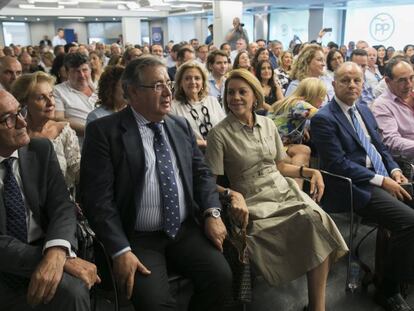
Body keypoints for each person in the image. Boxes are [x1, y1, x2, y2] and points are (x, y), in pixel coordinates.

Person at [80, 56, 232, 311]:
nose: (167, 92)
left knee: (221, 279)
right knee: (155, 304)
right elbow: (97, 200)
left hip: (184, 230)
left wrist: (212, 212)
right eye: (157, 86)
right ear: (131, 92)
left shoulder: (179, 125)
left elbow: (201, 174)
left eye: (168, 84)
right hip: (137, 237)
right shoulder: (105, 131)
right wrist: (120, 250)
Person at [205, 69, 348, 311]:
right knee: (308, 223)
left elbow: (280, 165)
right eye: (230, 93)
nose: (235, 98)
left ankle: (316, 306)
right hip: (253, 200)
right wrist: (232, 193)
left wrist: (311, 172)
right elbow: (208, 182)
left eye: (242, 92)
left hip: (282, 189)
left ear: (254, 96)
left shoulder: (268, 124)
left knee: (318, 220)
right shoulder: (219, 134)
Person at [311, 62, 414, 311]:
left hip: (382, 177)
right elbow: (338, 165)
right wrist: (381, 180)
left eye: (357, 80)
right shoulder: (324, 119)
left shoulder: (365, 111)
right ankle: (387, 290)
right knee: (409, 222)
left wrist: (395, 171)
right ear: (333, 84)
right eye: (345, 80)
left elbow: (380, 148)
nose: (352, 85)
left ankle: (402, 267)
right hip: (353, 186)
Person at [0, 90, 99, 311]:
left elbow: (62, 206)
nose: (22, 122)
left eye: (20, 111)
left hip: (45, 245)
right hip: (6, 266)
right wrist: (57, 260)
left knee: (73, 291)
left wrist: (56, 251)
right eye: (8, 118)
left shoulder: (40, 149)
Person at [11, 72, 80, 190]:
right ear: (24, 103)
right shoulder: (15, 135)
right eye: (41, 97)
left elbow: (78, 174)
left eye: (51, 95)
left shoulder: (64, 131)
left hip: (62, 203)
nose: (51, 102)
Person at [270, 77, 326, 183]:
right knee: (304, 150)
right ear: (313, 95)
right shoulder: (300, 104)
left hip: (271, 144)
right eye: (321, 97)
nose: (323, 101)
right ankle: (297, 189)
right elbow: (323, 117)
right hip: (274, 148)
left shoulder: (288, 102)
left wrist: (303, 128)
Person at [171, 61, 225, 149]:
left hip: (218, 151)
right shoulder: (173, 107)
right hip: (192, 156)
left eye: (197, 78)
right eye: (187, 78)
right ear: (180, 83)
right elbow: (175, 137)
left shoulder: (212, 101)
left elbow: (224, 129)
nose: (193, 82)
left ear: (203, 82)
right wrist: (203, 143)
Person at [371, 57, 414, 160]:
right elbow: (391, 141)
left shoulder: (411, 95)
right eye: (402, 80)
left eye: (412, 78)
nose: (409, 84)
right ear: (387, 81)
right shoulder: (381, 105)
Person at [54, 52, 97, 145]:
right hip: (81, 145)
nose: (81, 75)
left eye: (85, 70)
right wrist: (92, 130)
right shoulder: (58, 91)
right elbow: (58, 119)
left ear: (90, 70)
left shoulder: (98, 88)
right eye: (76, 71)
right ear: (66, 72)